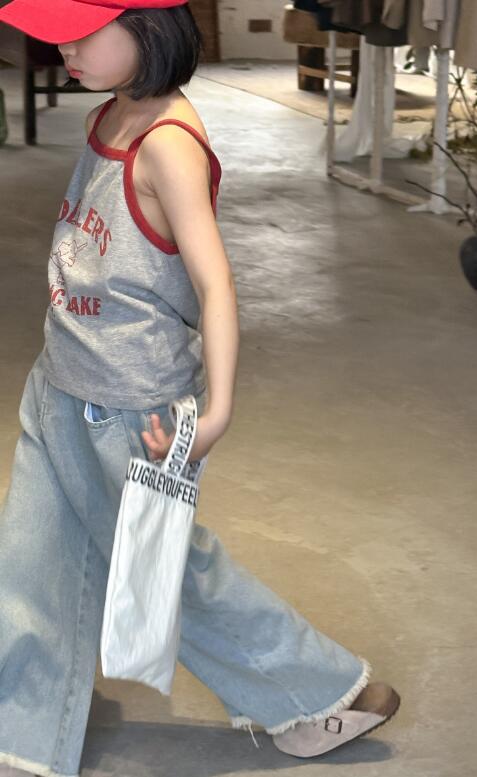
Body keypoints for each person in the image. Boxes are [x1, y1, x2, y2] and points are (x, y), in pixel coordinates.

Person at [0, 1, 401, 775]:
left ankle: (316, 694)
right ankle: (22, 728)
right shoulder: (113, 112)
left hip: (132, 411)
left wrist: (215, 409)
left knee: (168, 574)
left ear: (149, 27)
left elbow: (216, 285)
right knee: (31, 562)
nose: (64, 46)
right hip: (59, 386)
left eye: (84, 30)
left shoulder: (169, 144)